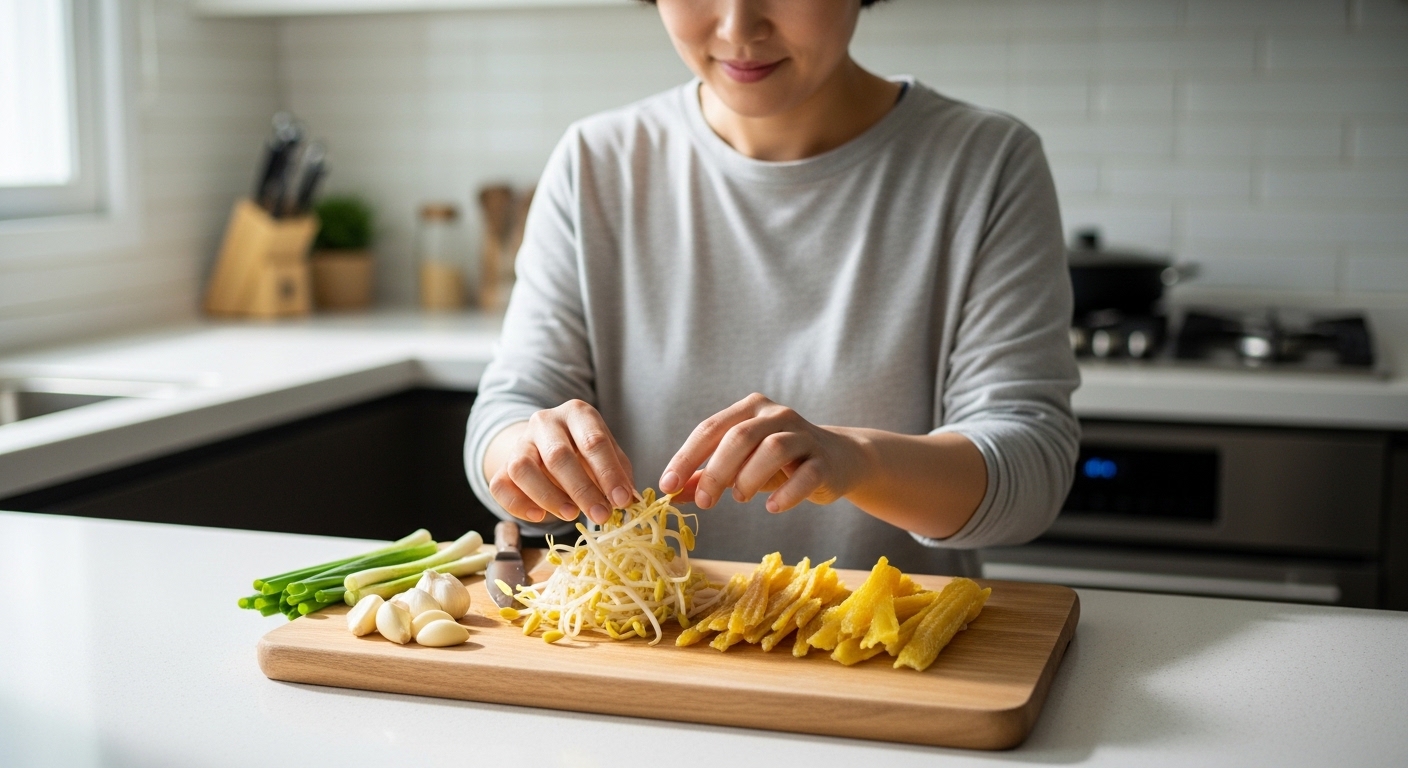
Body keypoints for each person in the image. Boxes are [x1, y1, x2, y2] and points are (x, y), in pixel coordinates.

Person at [464, 0, 1080, 576]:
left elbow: (1030, 471)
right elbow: (506, 413)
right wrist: (524, 447)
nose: (737, 26)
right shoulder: (596, 162)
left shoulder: (988, 164)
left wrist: (858, 461)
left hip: (891, 669)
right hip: (645, 660)